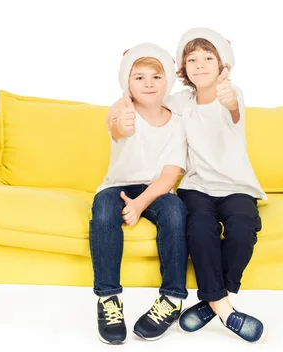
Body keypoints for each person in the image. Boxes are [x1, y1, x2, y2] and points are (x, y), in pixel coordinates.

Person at [106, 28, 268, 343]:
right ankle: (224, 308)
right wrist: (121, 101)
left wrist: (230, 100)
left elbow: (233, 110)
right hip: (197, 188)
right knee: (200, 230)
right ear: (183, 68)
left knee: (242, 230)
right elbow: (144, 95)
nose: (200, 64)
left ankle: (213, 303)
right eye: (192, 59)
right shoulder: (181, 102)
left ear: (224, 66)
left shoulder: (232, 96)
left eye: (208, 58)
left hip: (236, 187)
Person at [90, 43, 189, 344]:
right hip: (116, 185)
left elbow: (170, 176)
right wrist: (124, 123)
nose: (148, 84)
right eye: (139, 77)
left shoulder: (178, 123)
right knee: (104, 212)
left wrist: (140, 203)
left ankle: (172, 299)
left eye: (156, 77)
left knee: (175, 212)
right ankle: (109, 299)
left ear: (167, 82)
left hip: (154, 189)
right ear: (127, 84)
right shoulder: (122, 110)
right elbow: (119, 129)